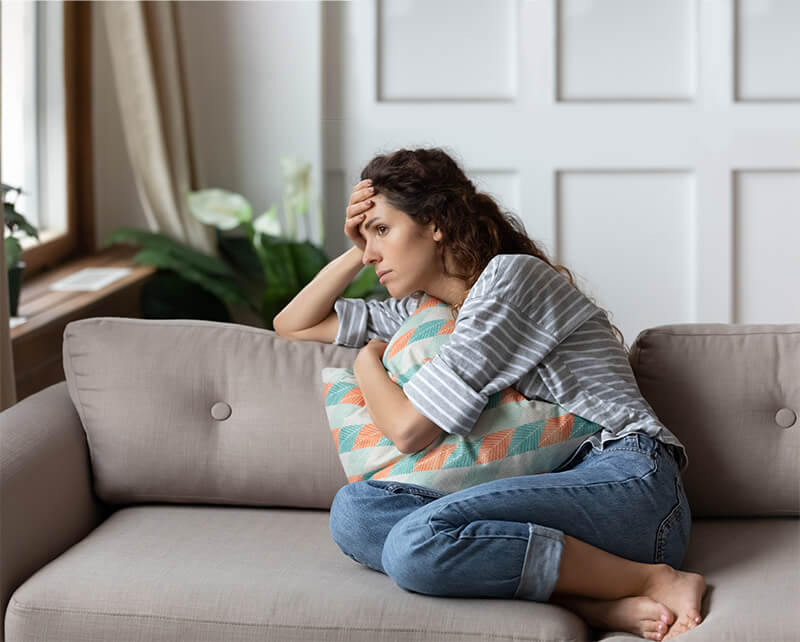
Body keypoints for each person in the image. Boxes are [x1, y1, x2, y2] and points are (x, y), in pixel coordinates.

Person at [273, 147, 707, 641]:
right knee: (357, 513)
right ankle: (589, 602)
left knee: (415, 545)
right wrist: (355, 248)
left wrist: (364, 361)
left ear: (434, 223)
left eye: (382, 231)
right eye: (367, 237)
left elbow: (409, 430)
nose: (372, 254)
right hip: (550, 487)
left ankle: (653, 578)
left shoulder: (508, 280)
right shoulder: (427, 311)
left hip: (627, 484)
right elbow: (292, 324)